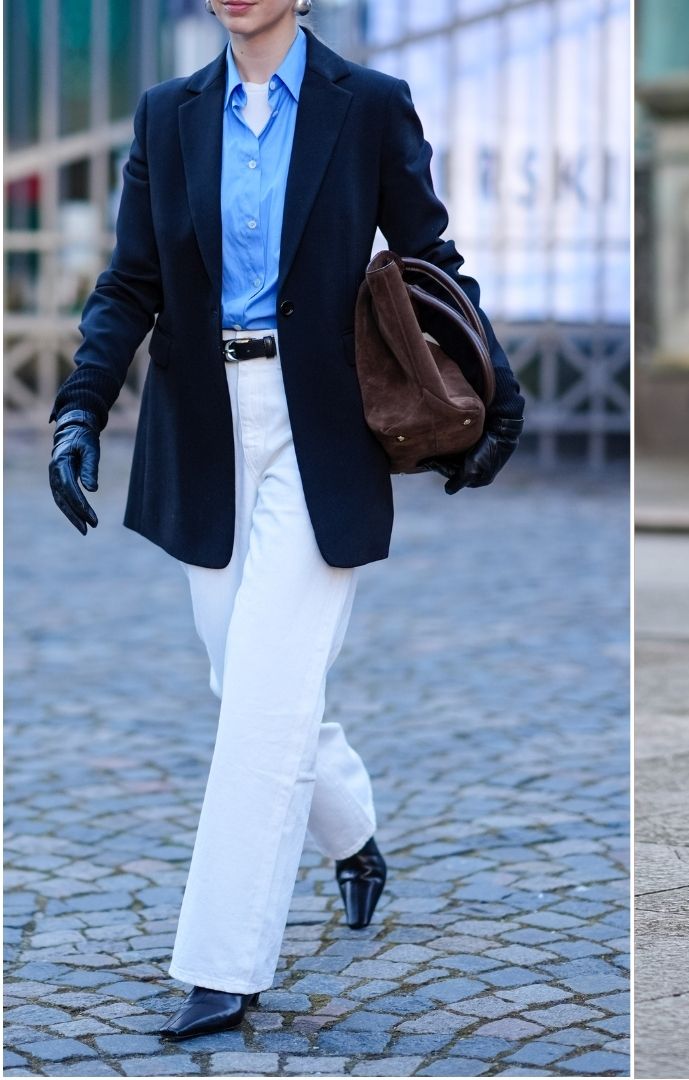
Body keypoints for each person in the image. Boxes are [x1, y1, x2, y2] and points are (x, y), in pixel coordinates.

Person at [46, 0, 524, 1041]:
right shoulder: (169, 115)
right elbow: (131, 282)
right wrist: (82, 404)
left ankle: (221, 966)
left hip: (326, 431)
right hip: (205, 430)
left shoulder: (368, 106)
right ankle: (354, 834)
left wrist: (499, 384)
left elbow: (429, 256)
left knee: (264, 700)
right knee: (246, 680)